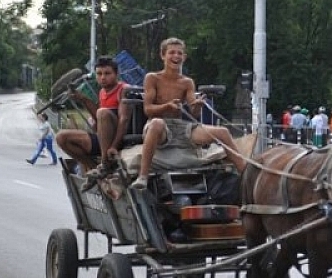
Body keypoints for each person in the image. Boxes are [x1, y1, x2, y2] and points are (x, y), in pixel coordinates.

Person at [130, 37, 246, 189]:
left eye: (179, 53)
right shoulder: (152, 78)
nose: (176, 56)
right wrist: (166, 107)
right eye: (172, 53)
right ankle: (143, 177)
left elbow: (194, 113)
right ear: (163, 55)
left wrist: (197, 105)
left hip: (181, 127)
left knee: (222, 131)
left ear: (184, 57)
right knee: (157, 123)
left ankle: (246, 175)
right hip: (158, 126)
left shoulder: (187, 82)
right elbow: (148, 109)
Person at [55, 56, 131, 172]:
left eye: (107, 73)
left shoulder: (123, 89)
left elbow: (124, 120)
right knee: (61, 137)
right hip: (101, 138)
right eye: (99, 74)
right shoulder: (102, 92)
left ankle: (105, 163)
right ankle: (93, 168)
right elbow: (98, 118)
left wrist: (114, 146)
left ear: (116, 74)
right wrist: (83, 99)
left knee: (103, 112)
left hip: (118, 139)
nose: (103, 77)